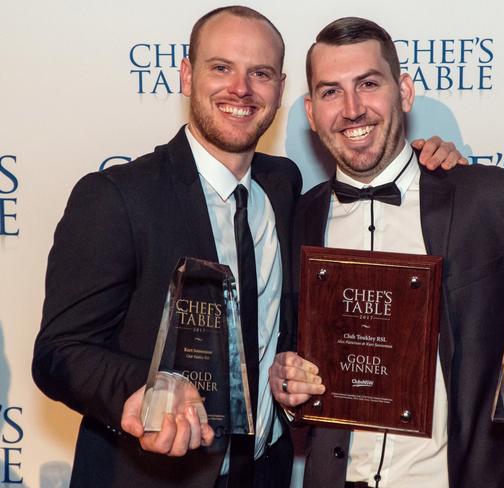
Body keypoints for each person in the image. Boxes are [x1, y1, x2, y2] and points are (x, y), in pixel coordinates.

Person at [31, 7, 464, 488]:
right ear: (187, 75)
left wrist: (433, 168)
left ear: (279, 91)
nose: (240, 89)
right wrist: (143, 392)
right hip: (150, 475)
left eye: (259, 73)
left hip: (264, 472)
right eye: (221, 68)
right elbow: (59, 352)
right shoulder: (117, 197)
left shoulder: (284, 188)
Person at [269, 17, 504, 488]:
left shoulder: (491, 199)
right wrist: (288, 391)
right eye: (331, 92)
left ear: (403, 92)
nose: (352, 109)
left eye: (368, 84)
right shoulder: (298, 218)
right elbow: (292, 364)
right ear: (311, 111)